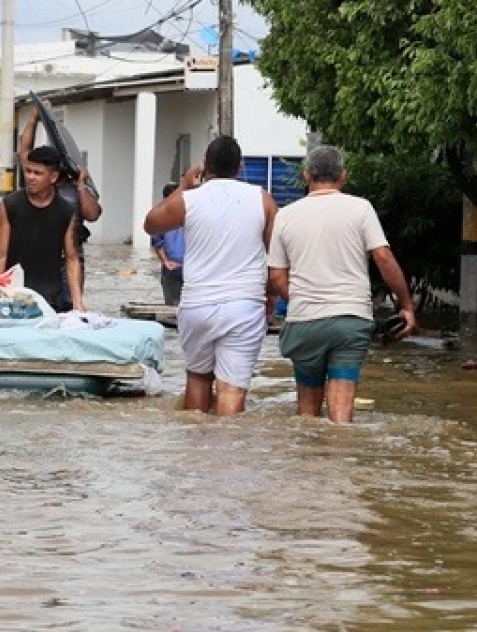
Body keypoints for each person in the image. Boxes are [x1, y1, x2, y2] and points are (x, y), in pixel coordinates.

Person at [266, 145, 416, 424]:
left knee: (307, 414)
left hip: (305, 323)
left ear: (306, 175)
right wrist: (406, 305)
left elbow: (275, 276)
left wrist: (299, 298)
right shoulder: (361, 209)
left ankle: (307, 465)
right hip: (350, 321)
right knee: (342, 413)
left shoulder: (285, 216)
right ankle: (339, 461)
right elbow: (383, 257)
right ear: (343, 176)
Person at [144, 136, 278, 415]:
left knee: (197, 380)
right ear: (240, 167)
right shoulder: (262, 200)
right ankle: (227, 452)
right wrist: (272, 295)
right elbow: (275, 254)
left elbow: (151, 224)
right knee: (231, 389)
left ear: (205, 166)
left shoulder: (189, 200)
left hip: (197, 305)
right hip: (244, 305)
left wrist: (181, 187)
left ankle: (196, 451)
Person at [17, 105, 101, 311]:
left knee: (69, 308)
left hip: (68, 259)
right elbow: (23, 153)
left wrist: (81, 184)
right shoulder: (37, 185)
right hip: (38, 256)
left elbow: (92, 214)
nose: (32, 175)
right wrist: (34, 119)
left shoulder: (77, 188)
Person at [0, 145, 85, 312]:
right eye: (28, 171)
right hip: (14, 296)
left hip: (50, 298)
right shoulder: (10, 205)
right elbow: (0, 254)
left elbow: (72, 258)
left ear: (53, 177)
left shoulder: (66, 211)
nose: (30, 177)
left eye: (38, 173)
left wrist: (77, 301)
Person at [150, 182, 185, 306]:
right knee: (174, 304)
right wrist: (166, 262)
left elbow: (157, 243)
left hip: (184, 267)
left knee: (176, 304)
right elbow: (157, 242)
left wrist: (165, 261)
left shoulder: (189, 213)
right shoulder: (160, 216)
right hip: (174, 268)